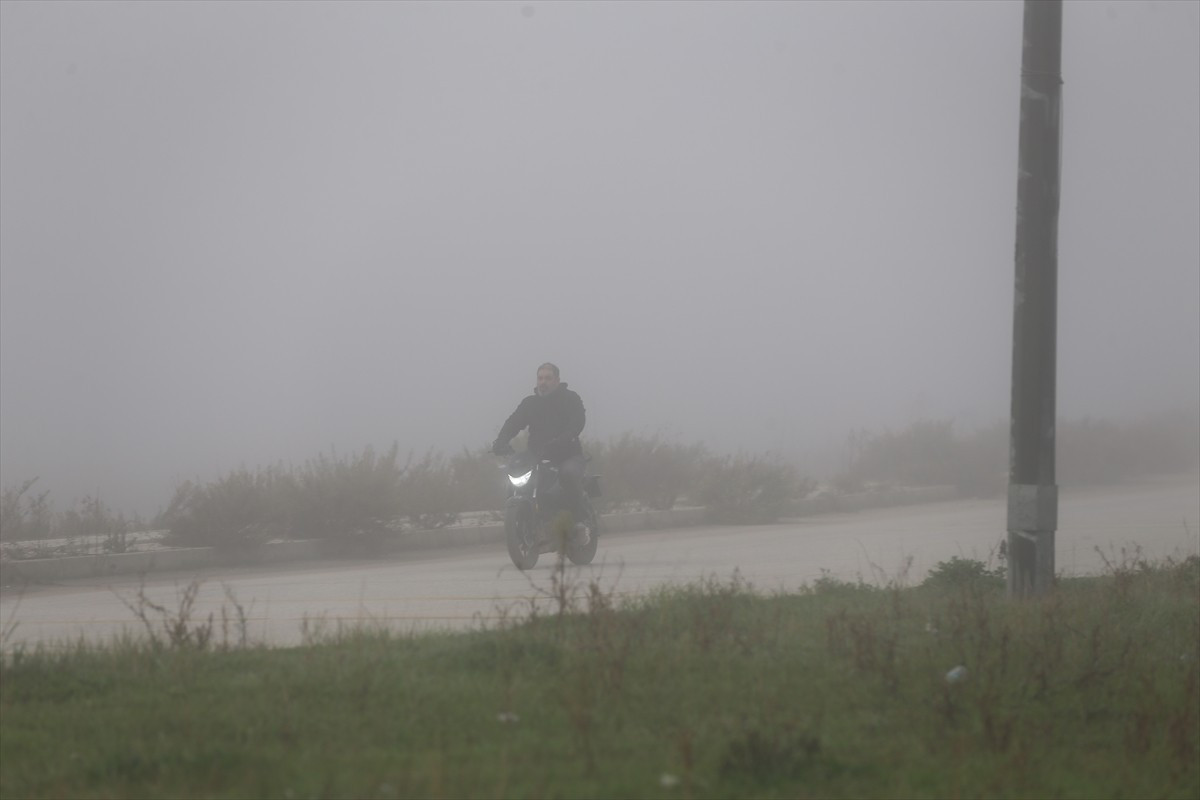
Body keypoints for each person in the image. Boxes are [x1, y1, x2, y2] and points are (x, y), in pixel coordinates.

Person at [492, 362, 591, 542]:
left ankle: (580, 523)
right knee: (515, 472)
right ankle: (526, 521)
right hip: (536, 456)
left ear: (557, 380)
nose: (543, 382)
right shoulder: (530, 403)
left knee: (568, 474)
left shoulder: (570, 399)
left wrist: (563, 438)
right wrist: (501, 441)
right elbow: (513, 423)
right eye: (540, 378)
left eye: (548, 378)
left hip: (567, 455)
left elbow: (578, 422)